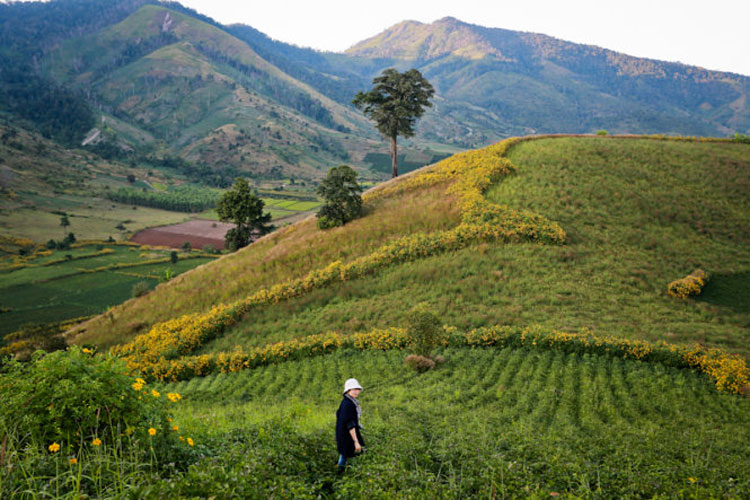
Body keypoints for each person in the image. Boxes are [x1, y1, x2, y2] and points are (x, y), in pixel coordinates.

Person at [335, 378, 365, 472]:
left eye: (357, 390)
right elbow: (350, 424)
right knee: (349, 453)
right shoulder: (348, 404)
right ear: (348, 390)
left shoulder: (347, 402)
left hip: (343, 433)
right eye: (354, 389)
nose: (356, 392)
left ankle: (341, 472)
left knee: (345, 454)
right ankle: (340, 473)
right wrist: (356, 441)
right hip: (346, 434)